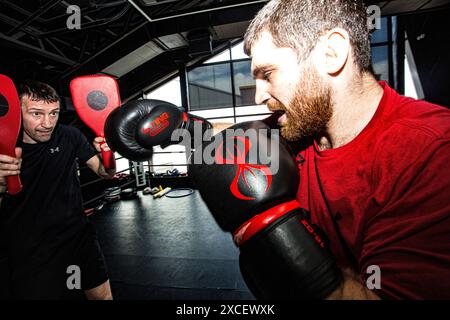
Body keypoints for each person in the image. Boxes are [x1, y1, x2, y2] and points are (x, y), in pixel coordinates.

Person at [241, 0, 450, 299]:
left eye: (267, 74)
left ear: (331, 54)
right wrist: (180, 126)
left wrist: (274, 231)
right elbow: (236, 133)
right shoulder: (300, 126)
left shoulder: (430, 151)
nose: (259, 96)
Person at [0, 80, 115, 299]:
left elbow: (105, 172)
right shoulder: (3, 149)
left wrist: (108, 154)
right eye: (36, 114)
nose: (47, 123)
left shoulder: (69, 136)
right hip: (31, 249)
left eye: (54, 113)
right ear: (17, 111)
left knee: (102, 297)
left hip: (78, 238)